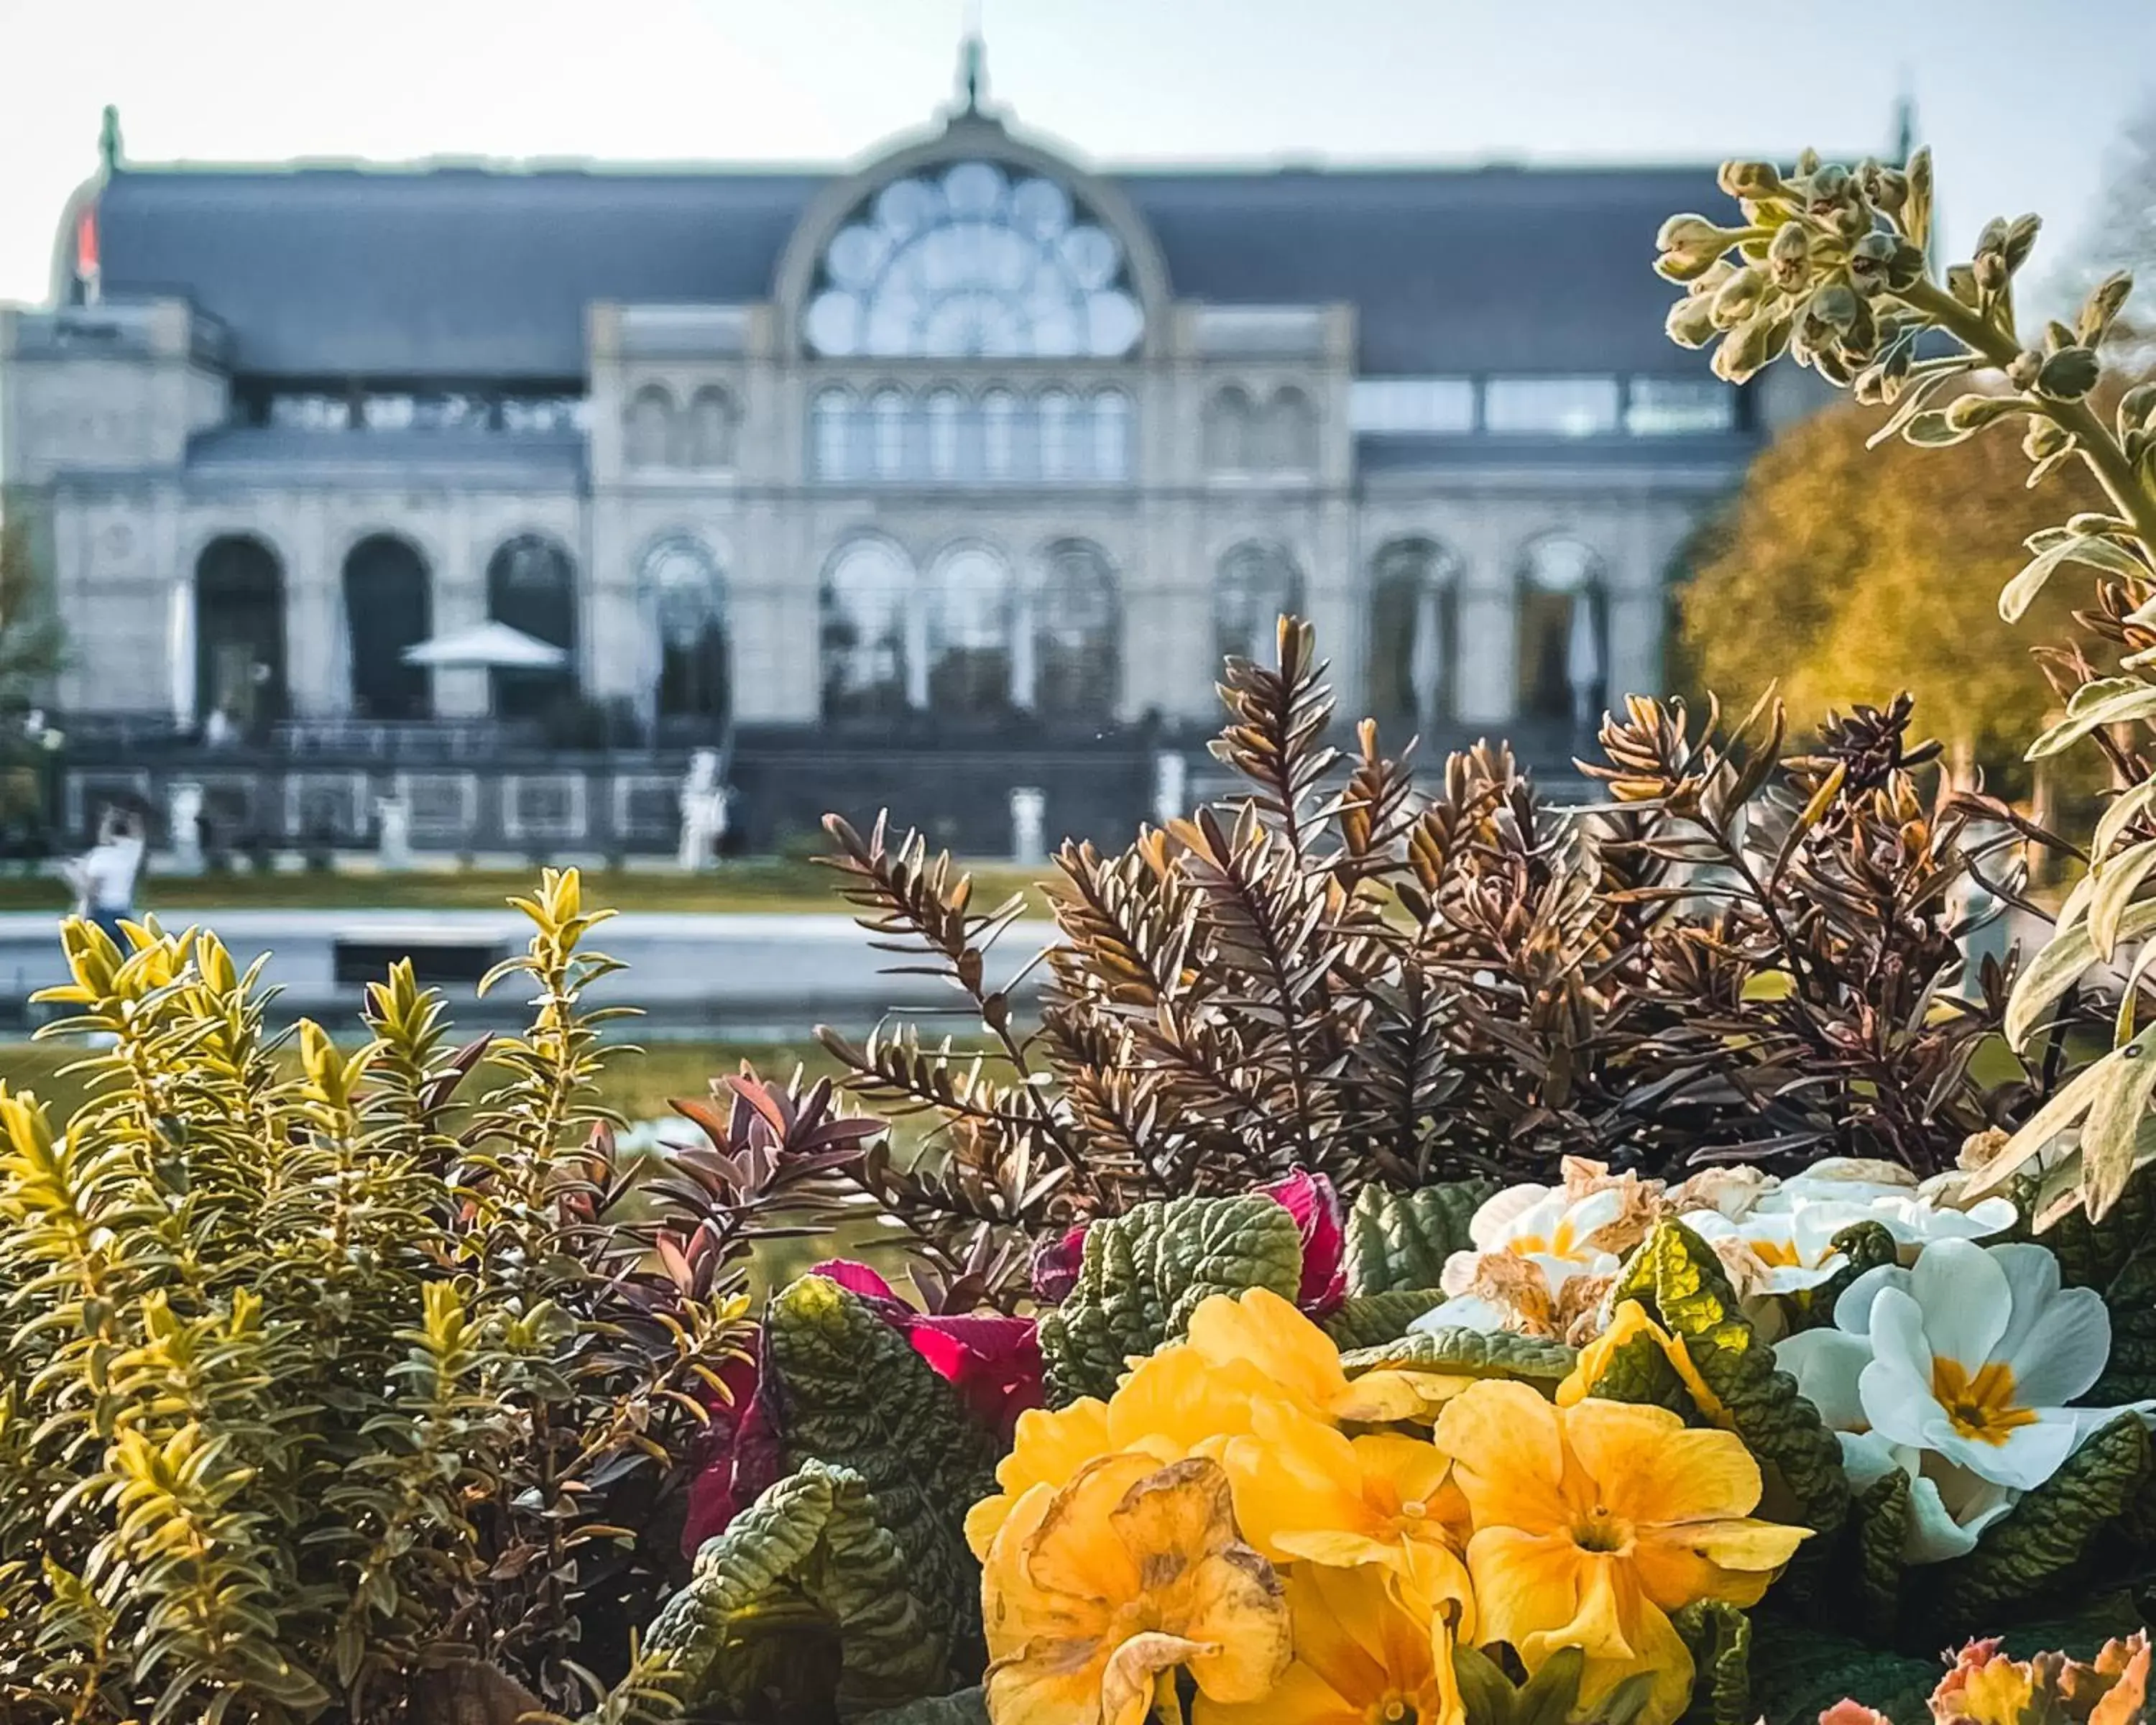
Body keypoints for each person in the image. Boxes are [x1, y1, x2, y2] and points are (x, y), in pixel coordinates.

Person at [63, 808, 145, 948]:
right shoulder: (131, 852)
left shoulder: (101, 857)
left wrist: (73, 876)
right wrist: (132, 818)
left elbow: (91, 891)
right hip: (123, 910)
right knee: (120, 957)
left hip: (102, 913)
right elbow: (139, 836)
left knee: (101, 956)